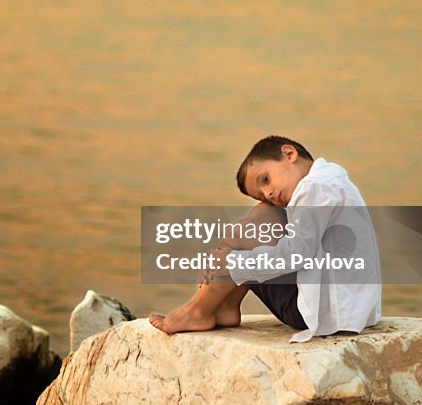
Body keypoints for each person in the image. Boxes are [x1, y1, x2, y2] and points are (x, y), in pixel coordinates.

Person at [149, 135, 381, 342]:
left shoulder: (313, 189)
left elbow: (296, 254)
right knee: (264, 213)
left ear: (289, 154)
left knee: (254, 225)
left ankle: (198, 310)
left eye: (266, 179)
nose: (268, 193)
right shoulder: (329, 178)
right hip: (346, 307)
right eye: (261, 192)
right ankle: (226, 306)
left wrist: (231, 262)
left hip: (324, 313)